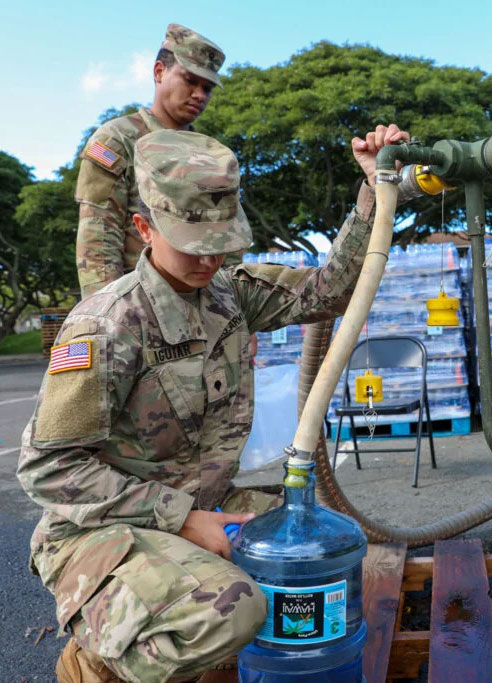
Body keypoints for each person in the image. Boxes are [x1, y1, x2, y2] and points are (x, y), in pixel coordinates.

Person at [18, 123, 409, 683]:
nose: (209, 260)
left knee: (314, 566)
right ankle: (95, 663)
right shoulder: (107, 326)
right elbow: (46, 468)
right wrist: (182, 519)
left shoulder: (228, 293)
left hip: (204, 504)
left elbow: (331, 291)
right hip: (102, 530)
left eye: (221, 242)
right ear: (143, 228)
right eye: (192, 244)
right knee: (231, 610)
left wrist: (373, 192)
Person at [75, 23, 225, 298]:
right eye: (190, 80)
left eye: (208, 88)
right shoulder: (117, 139)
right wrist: (107, 315)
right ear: (159, 72)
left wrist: (237, 313)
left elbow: (225, 236)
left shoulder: (211, 155)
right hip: (138, 307)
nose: (200, 95)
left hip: (203, 310)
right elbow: (98, 237)